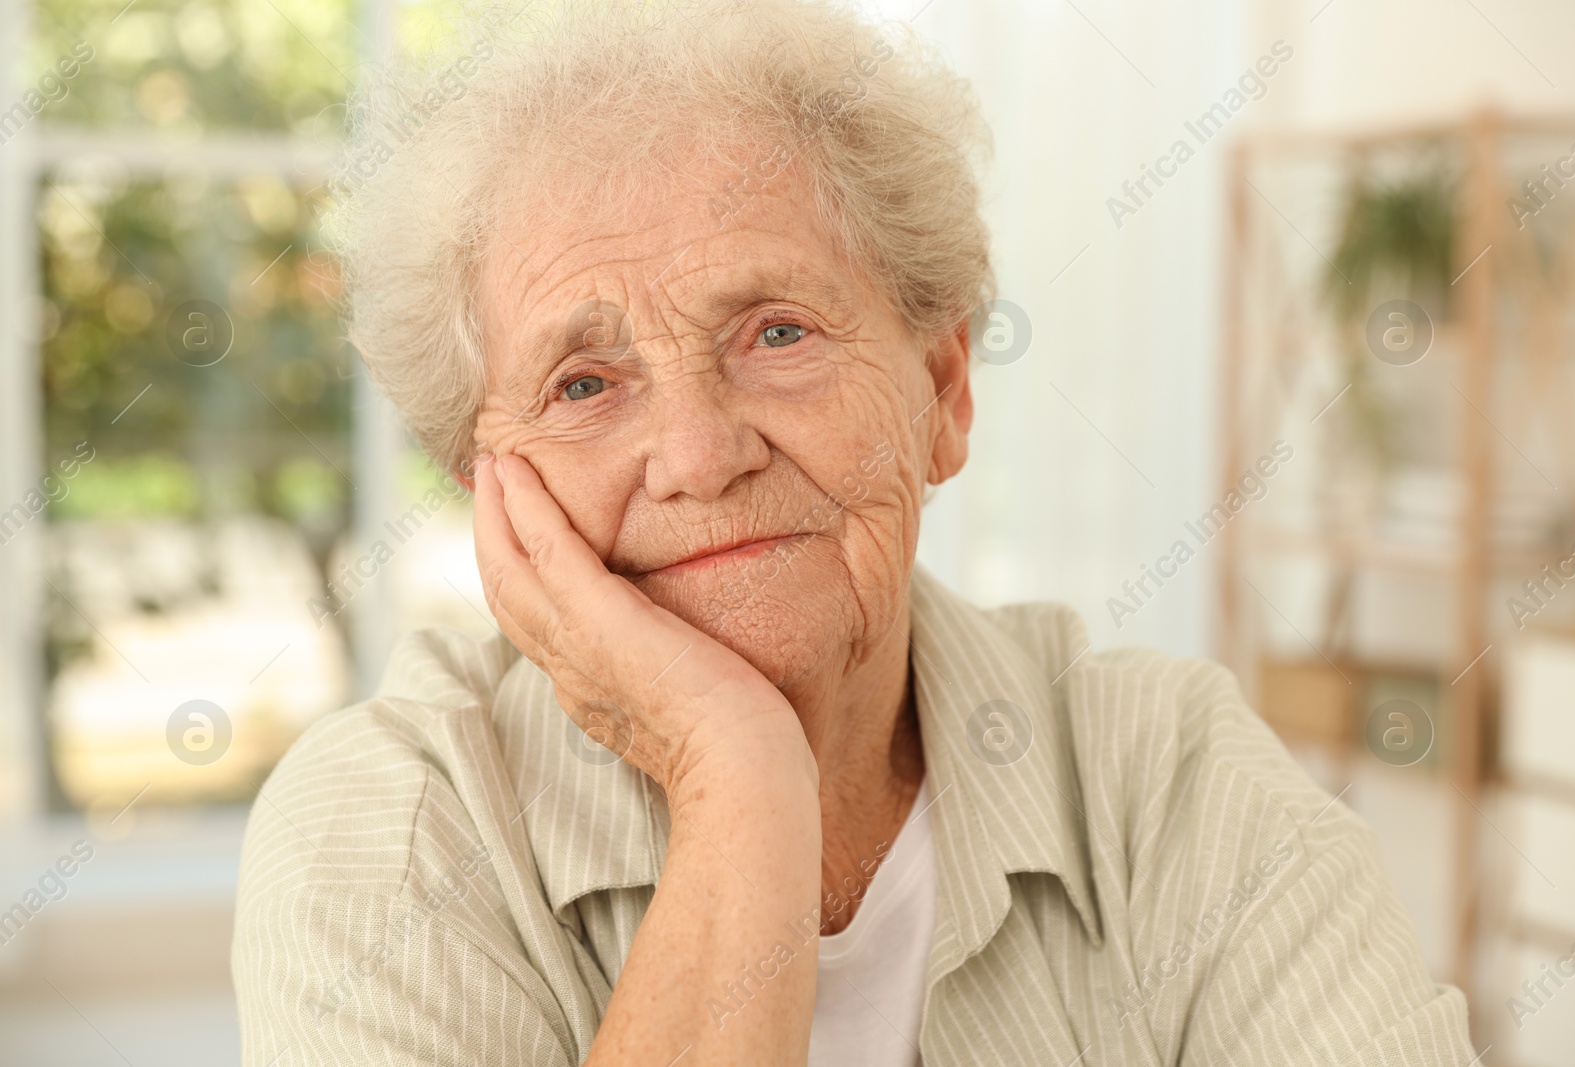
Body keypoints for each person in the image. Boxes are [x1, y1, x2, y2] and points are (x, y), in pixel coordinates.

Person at [232, 1, 1475, 1063]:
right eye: (584, 383)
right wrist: (739, 779)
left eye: (776, 332)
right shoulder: (389, 831)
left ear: (942, 392)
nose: (703, 454)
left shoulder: (1166, 779)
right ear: (491, 493)